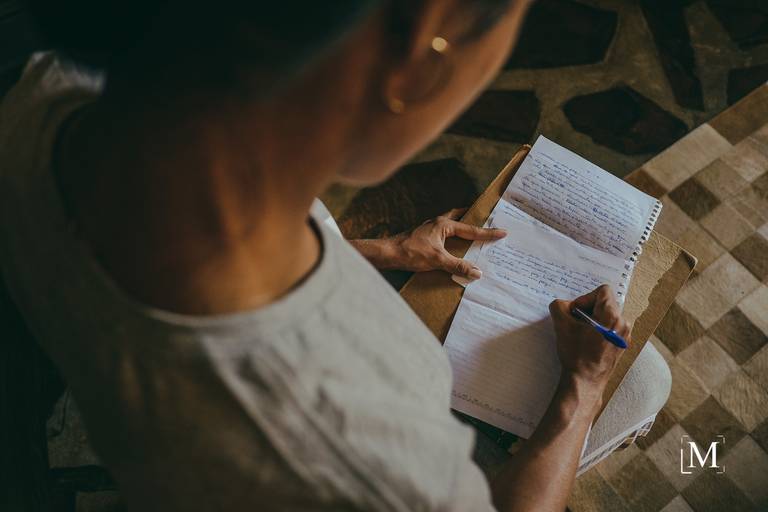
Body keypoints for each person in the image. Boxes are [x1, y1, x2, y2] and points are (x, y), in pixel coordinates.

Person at [0, 1, 670, 510]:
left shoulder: (54, 92)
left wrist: (374, 251)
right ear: (420, 52)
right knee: (645, 384)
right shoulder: (354, 460)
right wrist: (580, 391)